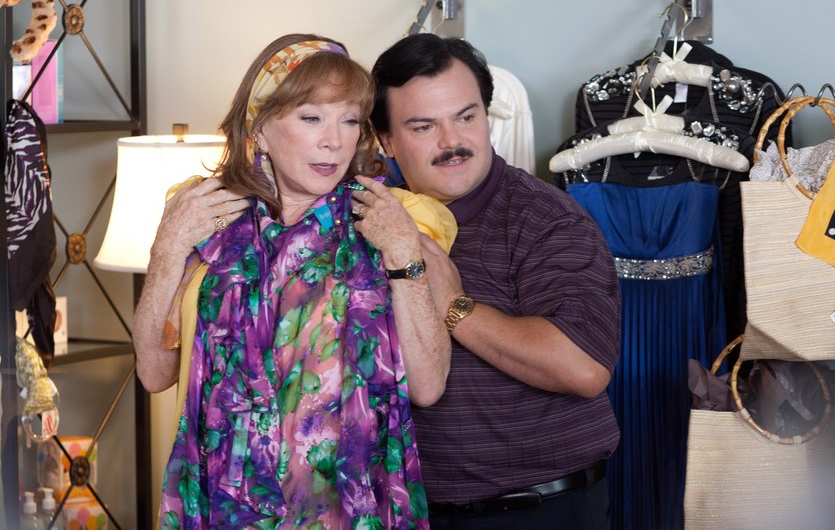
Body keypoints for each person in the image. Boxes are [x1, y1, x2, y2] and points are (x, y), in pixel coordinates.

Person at [132, 33, 452, 529]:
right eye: (311, 118)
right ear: (259, 127)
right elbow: (154, 372)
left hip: (347, 505)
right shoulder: (206, 218)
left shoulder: (395, 218)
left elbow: (428, 385)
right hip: (226, 502)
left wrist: (404, 254)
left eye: (349, 120)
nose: (335, 140)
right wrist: (167, 249)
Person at [370, 33, 622, 529]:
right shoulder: (373, 220)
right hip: (407, 510)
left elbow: (584, 366)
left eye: (466, 117)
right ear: (386, 141)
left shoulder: (545, 219)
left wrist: (453, 306)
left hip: (536, 510)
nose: (452, 142)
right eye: (424, 126)